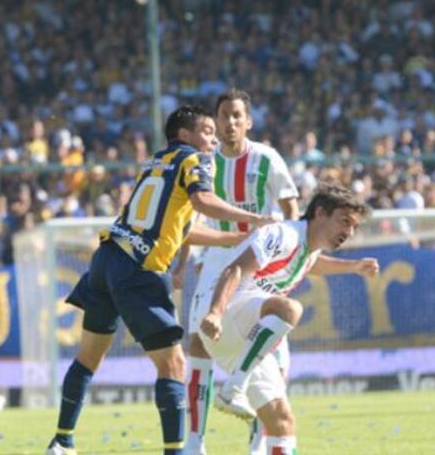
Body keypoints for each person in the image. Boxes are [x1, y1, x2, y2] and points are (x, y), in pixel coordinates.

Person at [46, 105, 273, 455]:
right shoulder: (194, 160)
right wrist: (254, 219)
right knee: (174, 365)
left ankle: (62, 442)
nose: (213, 139)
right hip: (139, 268)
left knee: (88, 357)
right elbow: (203, 200)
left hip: (107, 258)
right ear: (185, 135)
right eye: (207, 131)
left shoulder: (156, 162)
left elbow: (182, 228)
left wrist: (235, 238)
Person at [194, 185, 379, 454]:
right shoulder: (283, 233)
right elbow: (235, 269)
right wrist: (215, 312)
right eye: (344, 221)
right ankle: (234, 386)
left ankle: (235, 386)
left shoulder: (307, 250)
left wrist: (355, 266)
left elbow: (314, 263)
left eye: (354, 227)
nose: (349, 232)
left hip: (243, 340)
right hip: (225, 315)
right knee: (290, 309)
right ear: (320, 213)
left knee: (282, 421)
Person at [183, 88, 300, 455]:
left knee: (270, 349)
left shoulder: (267, 158)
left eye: (237, 115)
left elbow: (291, 210)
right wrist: (182, 263)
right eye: (224, 116)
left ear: (248, 121)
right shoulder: (205, 163)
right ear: (216, 122)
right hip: (217, 259)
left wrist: (288, 258)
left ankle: (260, 435)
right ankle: (194, 442)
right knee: (199, 340)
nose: (230, 122)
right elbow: (190, 215)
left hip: (259, 261)